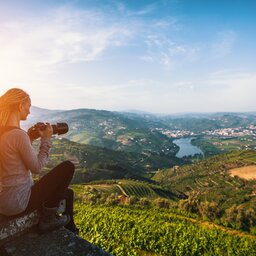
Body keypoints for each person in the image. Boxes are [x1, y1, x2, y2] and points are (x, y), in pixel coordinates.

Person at [0, 88, 78, 234]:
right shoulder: (18, 135)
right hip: (19, 202)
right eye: (28, 107)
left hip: (5, 202)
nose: (29, 111)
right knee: (68, 167)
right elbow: (36, 167)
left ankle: (71, 227)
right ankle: (48, 219)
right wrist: (46, 139)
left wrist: (30, 137)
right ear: (19, 106)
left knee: (68, 193)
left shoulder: (4, 133)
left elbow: (12, 156)